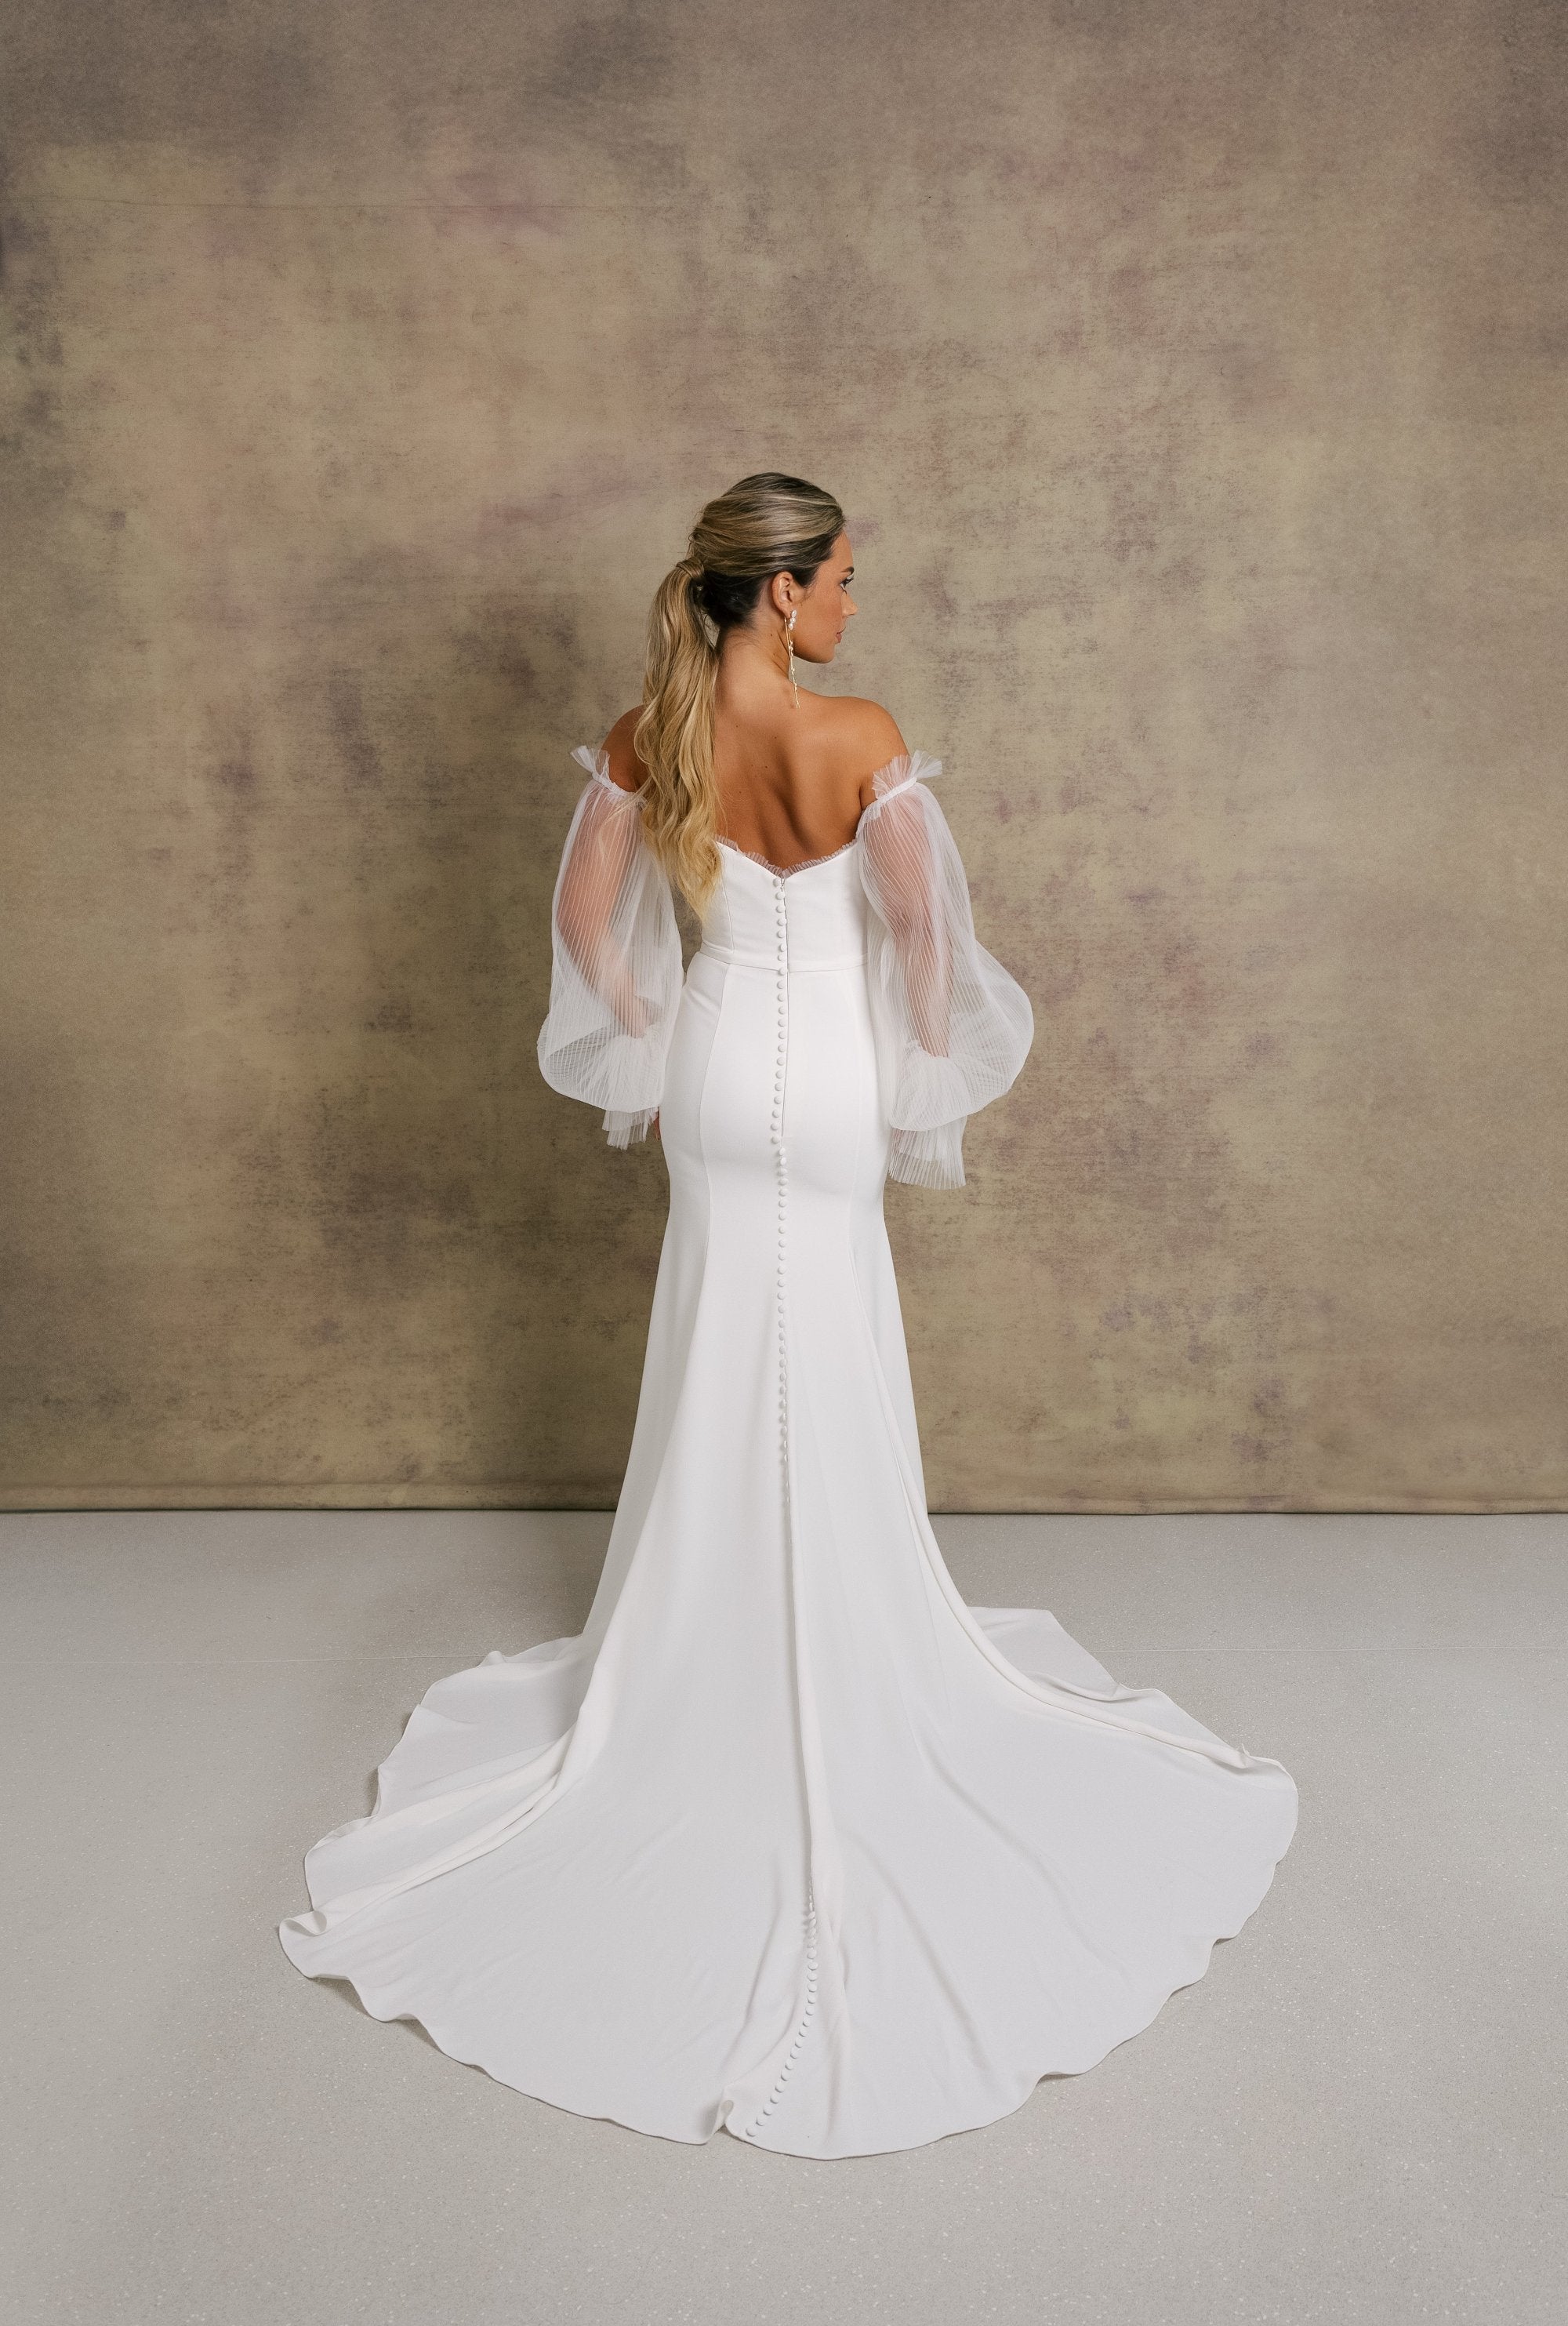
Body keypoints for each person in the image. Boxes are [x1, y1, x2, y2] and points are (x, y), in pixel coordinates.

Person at [279, 473, 1297, 2159]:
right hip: (818, 1084)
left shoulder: (647, 730)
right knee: (816, 1347)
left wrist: (657, 1012)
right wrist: (909, 1079)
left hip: (705, 1085)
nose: (848, 607)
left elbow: (581, 924)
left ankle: (702, 1645)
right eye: (835, 581)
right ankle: (838, 1635)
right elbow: (920, 935)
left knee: (711, 1355)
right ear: (777, 594)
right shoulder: (856, 735)